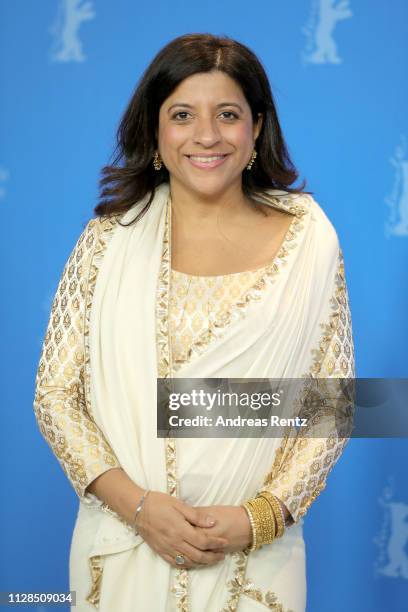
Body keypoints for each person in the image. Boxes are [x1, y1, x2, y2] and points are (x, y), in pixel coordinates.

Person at [33, 33, 355, 612]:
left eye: (227, 114)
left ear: (256, 127)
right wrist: (138, 506)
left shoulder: (310, 238)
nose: (206, 135)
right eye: (182, 115)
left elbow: (335, 402)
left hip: (253, 564)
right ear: (155, 132)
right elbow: (56, 396)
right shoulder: (108, 242)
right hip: (125, 545)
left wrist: (259, 517)